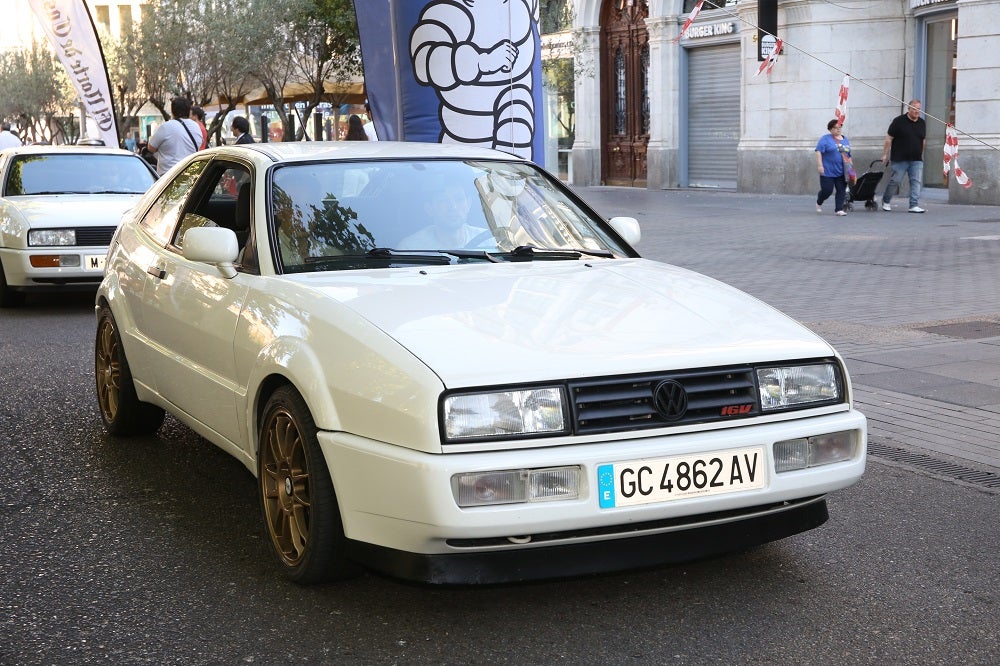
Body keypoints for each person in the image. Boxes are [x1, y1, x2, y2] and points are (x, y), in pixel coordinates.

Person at [398, 183, 490, 249]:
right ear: (429, 209)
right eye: (443, 200)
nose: (453, 207)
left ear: (469, 204)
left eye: (459, 199)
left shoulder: (490, 242)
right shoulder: (410, 249)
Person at [881, 99, 927, 213]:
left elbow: (923, 140)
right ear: (909, 109)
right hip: (900, 158)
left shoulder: (922, 122)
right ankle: (886, 201)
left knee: (916, 182)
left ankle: (913, 205)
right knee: (895, 181)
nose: (917, 111)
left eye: (919, 109)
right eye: (914, 109)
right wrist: (885, 154)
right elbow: (888, 138)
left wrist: (922, 154)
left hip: (916, 159)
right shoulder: (898, 121)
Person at [146, 97, 202, 176]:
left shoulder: (166, 127)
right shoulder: (196, 127)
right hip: (190, 175)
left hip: (169, 178)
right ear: (189, 111)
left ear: (172, 111)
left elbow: (150, 147)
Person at [814, 119, 852, 217]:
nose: (838, 129)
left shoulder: (845, 139)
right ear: (830, 129)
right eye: (835, 128)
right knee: (827, 190)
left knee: (841, 190)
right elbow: (818, 151)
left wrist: (851, 168)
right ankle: (819, 201)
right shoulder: (825, 139)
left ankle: (839, 209)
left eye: (839, 127)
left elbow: (848, 154)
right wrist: (820, 165)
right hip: (827, 170)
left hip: (841, 171)